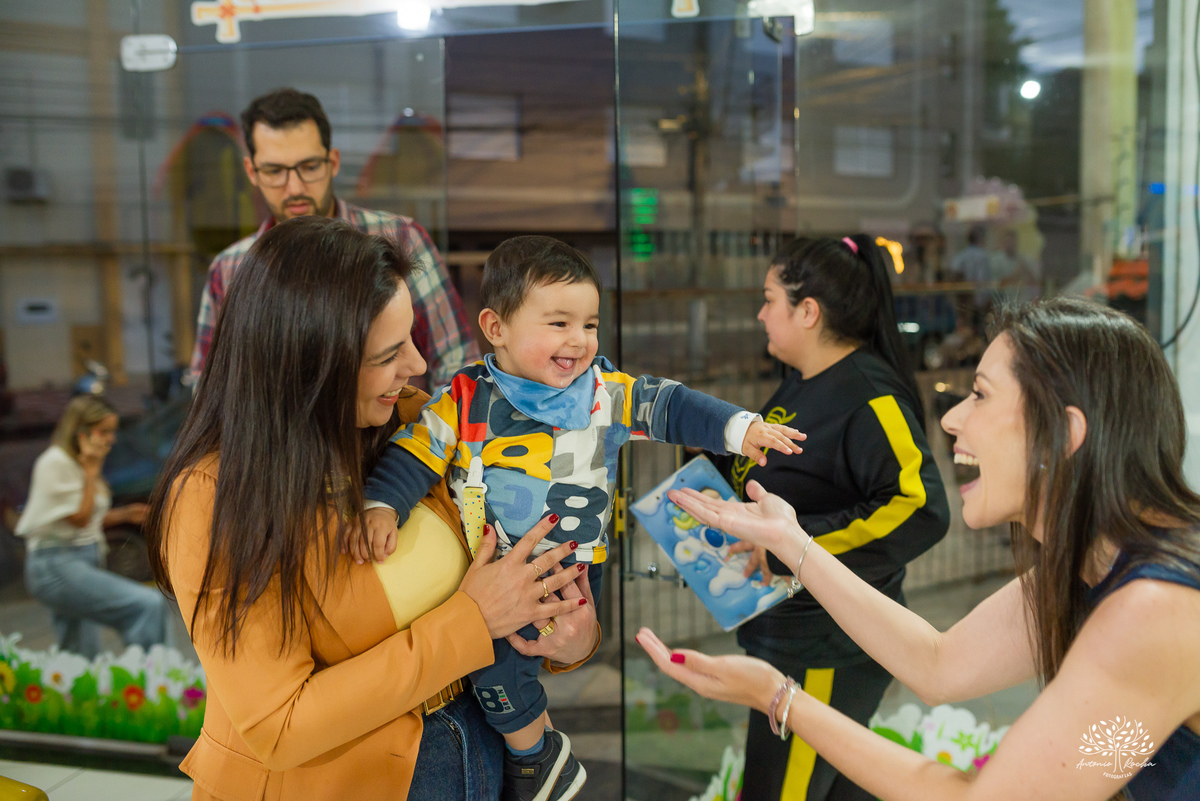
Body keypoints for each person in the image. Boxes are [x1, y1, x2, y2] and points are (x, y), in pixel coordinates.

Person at [641, 297, 1200, 801]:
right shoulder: (1098, 562)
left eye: (980, 395)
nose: (953, 417)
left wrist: (778, 696)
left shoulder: (1152, 608)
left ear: (1066, 433)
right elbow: (940, 665)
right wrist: (791, 540)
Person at [147, 217, 600, 801]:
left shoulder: (416, 425)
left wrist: (570, 639)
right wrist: (471, 621)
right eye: (389, 354)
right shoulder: (213, 496)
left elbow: (515, 578)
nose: (416, 365)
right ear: (312, 365)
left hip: (478, 759)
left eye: (412, 339)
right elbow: (279, 725)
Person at [357, 234, 807, 801]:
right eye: (559, 324)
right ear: (496, 328)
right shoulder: (465, 397)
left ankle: (532, 756)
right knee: (496, 669)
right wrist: (381, 505)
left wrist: (741, 429)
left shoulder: (604, 394)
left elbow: (672, 405)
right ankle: (537, 755)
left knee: (516, 663)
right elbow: (415, 451)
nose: (579, 340)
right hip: (498, 572)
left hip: (573, 569)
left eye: (590, 325)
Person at [704, 235, 949, 801]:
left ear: (808, 311)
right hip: (789, 631)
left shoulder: (869, 396)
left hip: (827, 647)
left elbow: (919, 505)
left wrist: (795, 547)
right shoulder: (805, 381)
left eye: (770, 299)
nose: (761, 313)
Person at [188, 87, 479, 389]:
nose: (295, 187)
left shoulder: (401, 239)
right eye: (275, 171)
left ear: (333, 162)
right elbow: (210, 390)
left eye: (309, 167)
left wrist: (421, 435)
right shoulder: (231, 269)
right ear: (252, 171)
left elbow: (456, 367)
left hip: (399, 432)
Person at [16, 395, 172, 659]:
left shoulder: (79, 462)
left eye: (113, 431)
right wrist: (89, 473)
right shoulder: (56, 463)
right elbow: (78, 518)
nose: (111, 438)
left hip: (79, 559)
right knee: (147, 605)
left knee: (79, 652)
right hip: (57, 563)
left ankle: (77, 695)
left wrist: (124, 515)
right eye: (104, 431)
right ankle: (157, 681)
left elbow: (83, 518)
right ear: (80, 431)